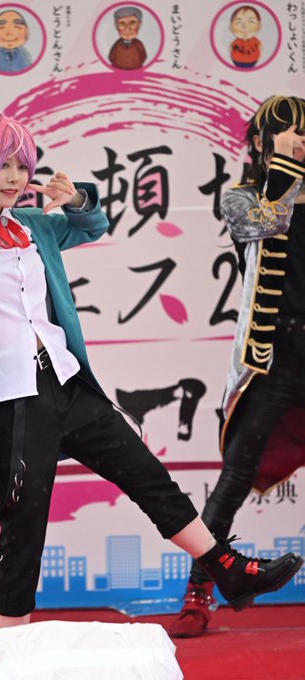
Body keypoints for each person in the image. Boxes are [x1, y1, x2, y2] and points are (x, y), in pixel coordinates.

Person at [0, 111, 302, 628]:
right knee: (24, 528)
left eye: (20, 166)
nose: (14, 177)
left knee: (147, 475)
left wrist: (76, 199)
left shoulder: (33, 225)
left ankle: (226, 568)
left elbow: (91, 225)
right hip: (8, 397)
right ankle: (12, 645)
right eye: (2, 165)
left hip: (65, 381)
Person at [170, 95, 305, 639]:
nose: (300, 139)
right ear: (262, 143)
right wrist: (287, 169)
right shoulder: (243, 197)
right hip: (274, 358)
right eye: (290, 131)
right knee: (235, 476)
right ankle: (200, 592)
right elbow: (267, 222)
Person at [0, 9, 33, 74]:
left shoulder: (25, 56)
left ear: (26, 32)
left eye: (17, 27)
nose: (9, 33)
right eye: (1, 28)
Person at [108, 6, 147, 70]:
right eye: (122, 24)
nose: (127, 29)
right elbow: (111, 57)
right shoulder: (117, 44)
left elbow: (143, 56)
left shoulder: (138, 44)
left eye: (132, 23)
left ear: (139, 24)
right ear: (116, 26)